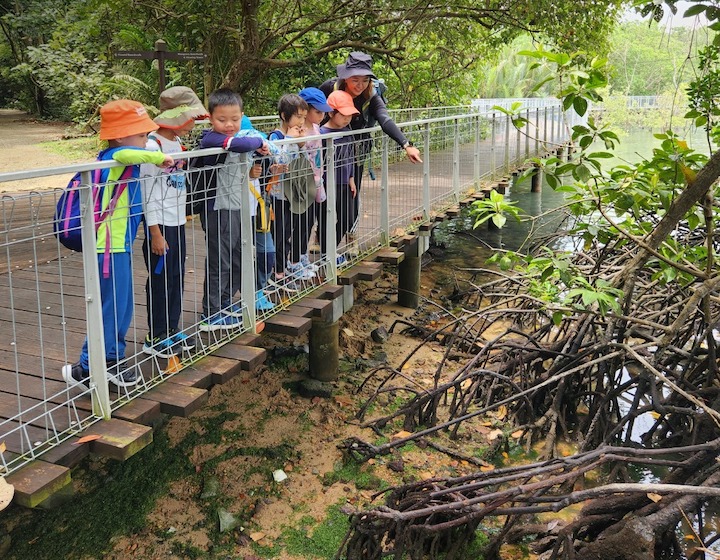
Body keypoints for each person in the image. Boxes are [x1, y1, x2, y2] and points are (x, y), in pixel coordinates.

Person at [62, 99, 174, 388]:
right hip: (106, 248)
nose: (147, 141)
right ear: (122, 135)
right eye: (141, 135)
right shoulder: (114, 156)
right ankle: (89, 368)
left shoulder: (123, 157)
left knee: (121, 306)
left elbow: (132, 152)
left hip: (118, 247)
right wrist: (158, 157)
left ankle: (109, 360)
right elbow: (126, 152)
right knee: (111, 307)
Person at [319, 51, 422, 233]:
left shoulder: (372, 97)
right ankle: (323, 238)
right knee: (322, 197)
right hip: (324, 153)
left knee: (349, 199)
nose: (360, 85)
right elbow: (310, 110)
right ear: (346, 77)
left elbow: (385, 120)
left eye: (365, 80)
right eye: (355, 79)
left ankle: (349, 235)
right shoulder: (330, 88)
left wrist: (406, 144)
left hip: (353, 156)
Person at [140, 87, 207, 358]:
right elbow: (146, 192)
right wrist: (154, 232)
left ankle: (171, 328)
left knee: (176, 277)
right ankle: (155, 336)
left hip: (177, 221)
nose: (192, 122)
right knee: (160, 280)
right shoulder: (151, 146)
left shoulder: (177, 144)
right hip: (160, 226)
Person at [197, 88, 270, 331]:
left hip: (238, 207)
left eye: (235, 119)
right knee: (221, 260)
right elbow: (239, 144)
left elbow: (238, 162)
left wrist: (252, 167)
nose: (229, 124)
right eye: (222, 119)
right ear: (210, 119)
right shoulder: (212, 139)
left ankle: (226, 303)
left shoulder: (238, 139)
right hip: (219, 208)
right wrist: (260, 141)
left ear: (242, 115)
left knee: (238, 257)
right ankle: (212, 312)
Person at [264, 94, 315, 292]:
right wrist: (289, 139)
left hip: (292, 192)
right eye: (298, 117)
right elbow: (278, 160)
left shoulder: (296, 135)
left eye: (304, 117)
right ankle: (276, 273)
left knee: (289, 231)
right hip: (277, 195)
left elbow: (303, 160)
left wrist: (301, 144)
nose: (302, 121)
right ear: (285, 116)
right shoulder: (275, 137)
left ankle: (283, 268)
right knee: (279, 233)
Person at [319, 90, 358, 261]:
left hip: (343, 182)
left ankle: (329, 250)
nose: (347, 119)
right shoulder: (320, 134)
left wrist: (351, 179)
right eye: (343, 115)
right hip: (326, 182)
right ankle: (327, 254)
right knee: (324, 217)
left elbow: (350, 157)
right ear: (331, 113)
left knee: (347, 217)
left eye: (350, 115)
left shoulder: (347, 132)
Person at [297, 87, 332, 273]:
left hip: (317, 180)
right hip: (303, 182)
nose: (321, 116)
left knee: (311, 220)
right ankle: (297, 259)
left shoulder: (317, 128)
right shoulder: (300, 131)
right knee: (302, 221)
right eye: (317, 112)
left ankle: (303, 256)